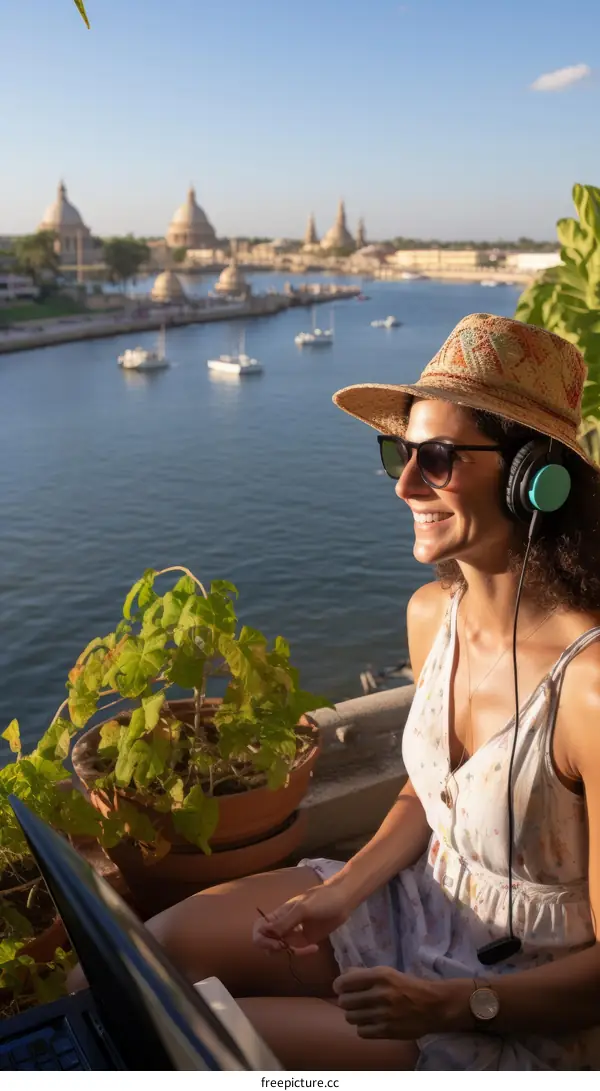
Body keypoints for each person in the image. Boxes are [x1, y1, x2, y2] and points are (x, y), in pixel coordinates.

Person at [122, 315, 600, 1068]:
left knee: (200, 1037)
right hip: (413, 909)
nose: (406, 484)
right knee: (143, 958)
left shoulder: (589, 688)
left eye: (436, 458)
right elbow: (429, 794)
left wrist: (454, 1006)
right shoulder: (428, 615)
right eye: (399, 453)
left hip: (521, 1001)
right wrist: (342, 890)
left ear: (533, 478)